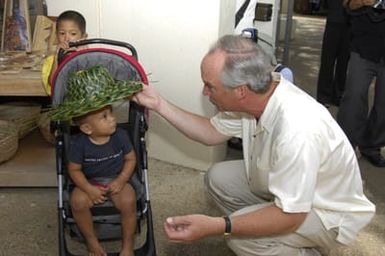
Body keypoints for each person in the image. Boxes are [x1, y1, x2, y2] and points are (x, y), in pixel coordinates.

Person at [133, 35, 375, 255]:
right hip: (297, 189)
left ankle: (305, 248)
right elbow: (209, 132)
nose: (205, 93)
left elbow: (291, 215)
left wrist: (220, 226)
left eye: (211, 86)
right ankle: (276, 231)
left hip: (325, 212)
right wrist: (159, 104)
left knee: (241, 239)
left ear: (240, 91)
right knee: (220, 178)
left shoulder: (297, 129)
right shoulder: (256, 98)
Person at [49, 65, 143, 256]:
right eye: (104, 116)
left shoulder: (121, 136)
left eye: (111, 113)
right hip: (89, 182)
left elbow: (131, 158)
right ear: (87, 129)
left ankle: (127, 245)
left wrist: (121, 180)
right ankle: (92, 242)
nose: (112, 119)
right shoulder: (79, 144)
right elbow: (74, 170)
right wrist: (88, 188)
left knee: (129, 200)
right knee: (77, 202)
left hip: (118, 178)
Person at [337, 0, 385, 167]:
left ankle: (371, 146)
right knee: (354, 97)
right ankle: (344, 145)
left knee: (383, 105)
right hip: (363, 45)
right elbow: (348, 5)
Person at [41, 10, 88, 96]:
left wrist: (82, 55)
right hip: (64, 103)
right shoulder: (51, 60)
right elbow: (53, 83)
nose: (67, 38)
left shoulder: (90, 57)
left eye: (73, 34)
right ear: (56, 35)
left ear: (83, 37)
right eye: (62, 33)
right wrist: (57, 57)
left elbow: (89, 83)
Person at [316, 0, 350, 108]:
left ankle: (338, 95)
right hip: (334, 19)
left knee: (344, 62)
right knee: (327, 60)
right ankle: (323, 96)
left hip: (352, 21)